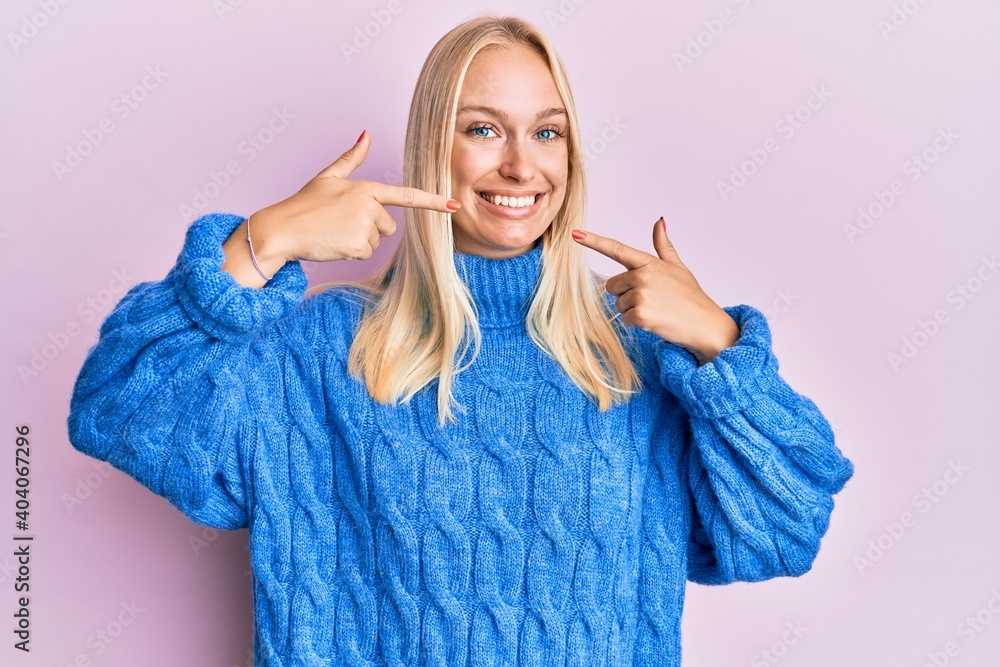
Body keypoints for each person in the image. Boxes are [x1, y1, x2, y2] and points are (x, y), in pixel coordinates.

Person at [66, 13, 854, 667]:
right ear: (433, 147)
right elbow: (115, 406)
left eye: (548, 132)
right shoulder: (320, 351)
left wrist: (718, 344)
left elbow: (786, 527)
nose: (520, 165)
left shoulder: (636, 357)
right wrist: (262, 243)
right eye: (484, 129)